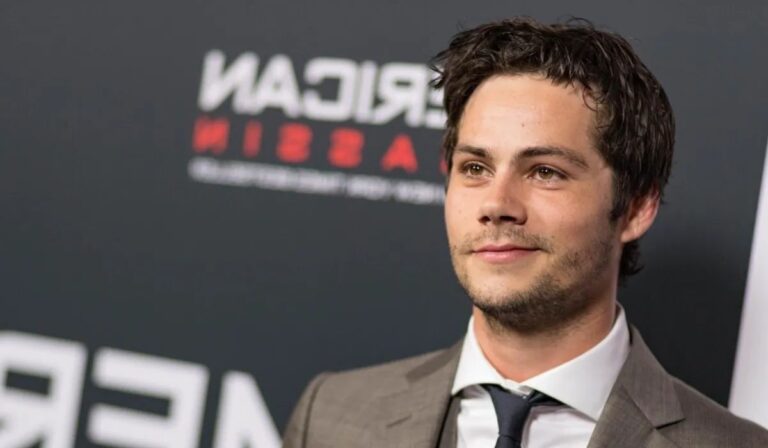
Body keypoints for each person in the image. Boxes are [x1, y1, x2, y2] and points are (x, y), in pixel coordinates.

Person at [282, 17, 768, 448]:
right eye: (475, 168)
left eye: (545, 172)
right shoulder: (330, 416)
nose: (497, 205)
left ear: (637, 207)